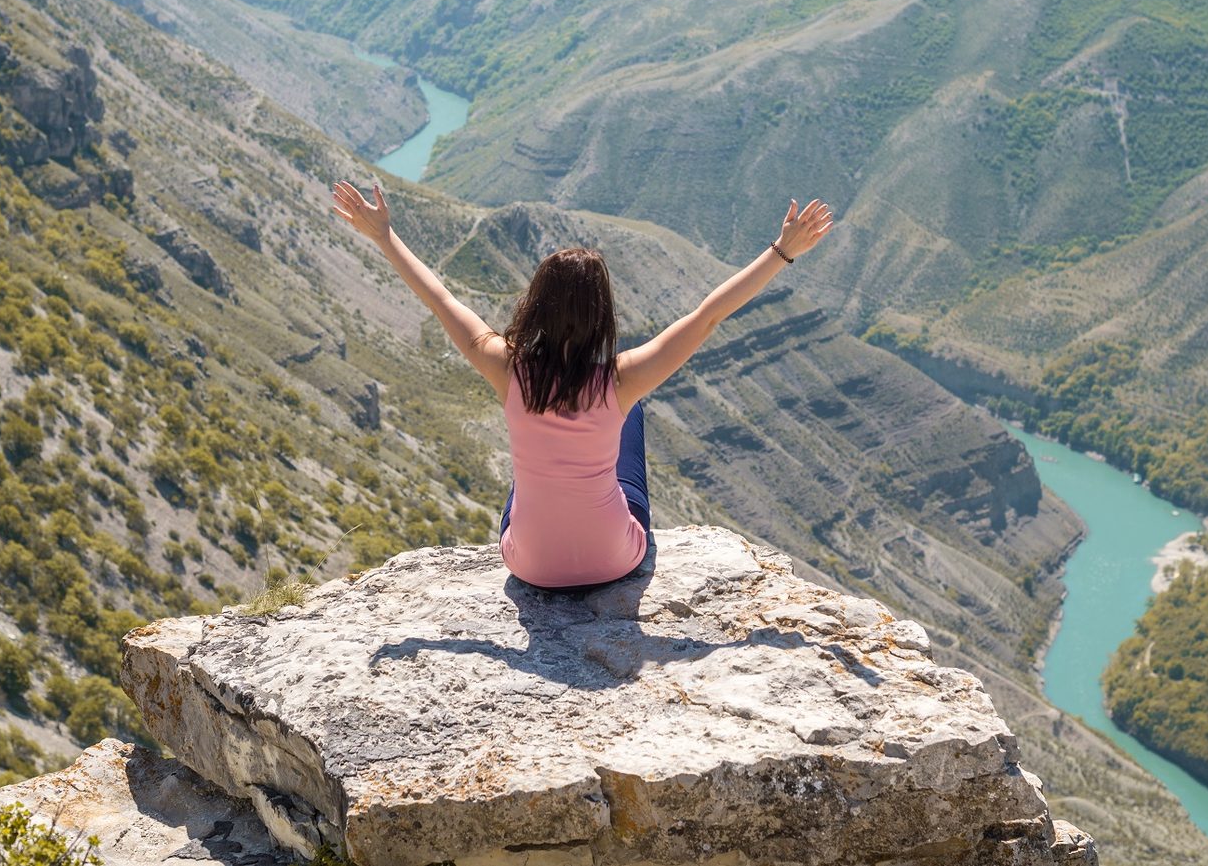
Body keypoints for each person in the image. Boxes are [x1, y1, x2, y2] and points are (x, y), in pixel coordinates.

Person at [330, 179, 834, 590]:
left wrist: (384, 237)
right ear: (602, 315)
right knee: (630, 414)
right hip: (616, 560)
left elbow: (440, 299)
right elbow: (708, 316)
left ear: (536, 305)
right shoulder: (622, 378)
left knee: (526, 474)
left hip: (530, 568)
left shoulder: (506, 368)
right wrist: (781, 252)